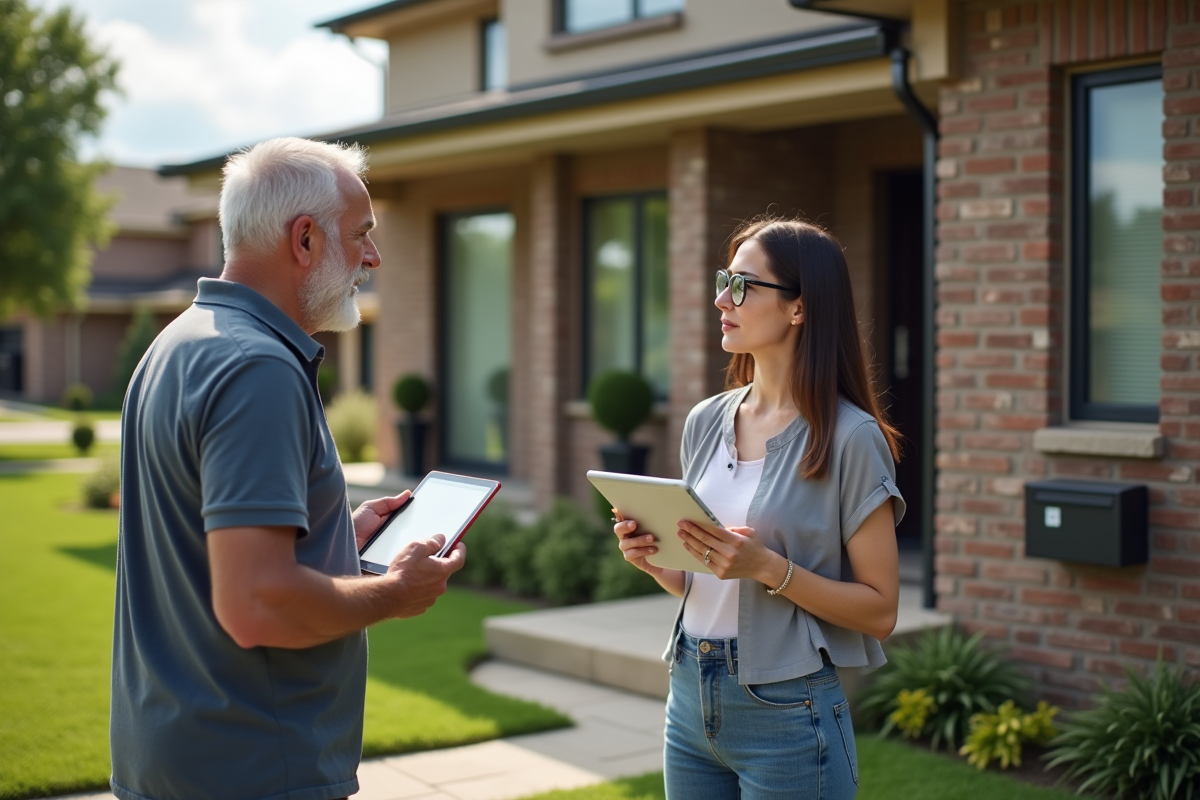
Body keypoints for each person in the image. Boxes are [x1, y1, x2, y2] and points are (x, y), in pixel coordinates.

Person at [109, 137, 465, 800]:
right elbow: (257, 604)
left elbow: (209, 550)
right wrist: (396, 593)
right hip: (253, 768)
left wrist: (337, 536)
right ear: (304, 239)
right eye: (361, 234)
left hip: (169, 757)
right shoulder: (259, 369)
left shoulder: (176, 344)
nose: (373, 257)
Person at [612, 217, 904, 799]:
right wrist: (654, 560)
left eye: (743, 285)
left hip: (788, 711)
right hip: (689, 694)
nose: (722, 299)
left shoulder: (851, 438)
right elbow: (705, 582)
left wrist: (769, 568)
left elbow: (880, 611)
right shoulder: (705, 421)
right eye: (724, 280)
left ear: (799, 307)